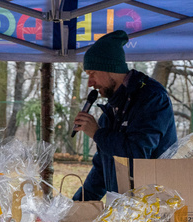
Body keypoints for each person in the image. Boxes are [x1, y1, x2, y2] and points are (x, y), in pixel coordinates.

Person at [71, 30, 178, 201]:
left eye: (93, 74)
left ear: (109, 68)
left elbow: (138, 153)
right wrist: (74, 207)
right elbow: (102, 170)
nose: (90, 83)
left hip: (155, 210)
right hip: (122, 211)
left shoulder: (151, 98)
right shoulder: (110, 113)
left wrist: (97, 134)